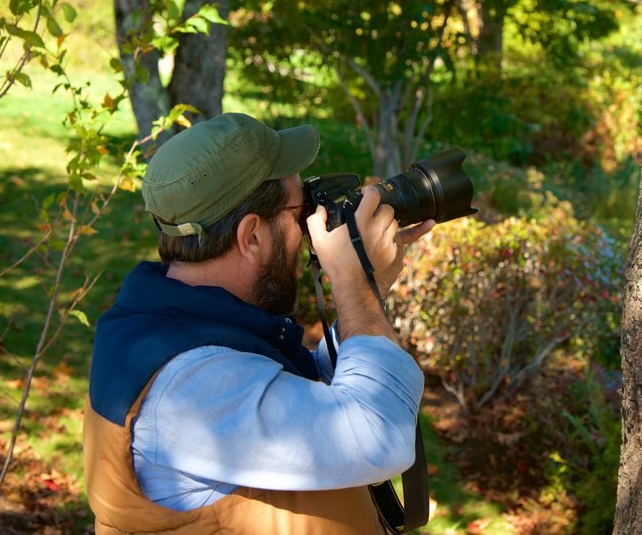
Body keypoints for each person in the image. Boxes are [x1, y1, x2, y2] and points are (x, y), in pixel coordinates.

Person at [83, 112, 435, 534]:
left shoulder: (183, 325)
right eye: (300, 207)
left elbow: (313, 404)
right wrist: (353, 284)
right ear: (251, 236)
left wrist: (365, 290)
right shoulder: (189, 389)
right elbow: (376, 435)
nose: (310, 227)